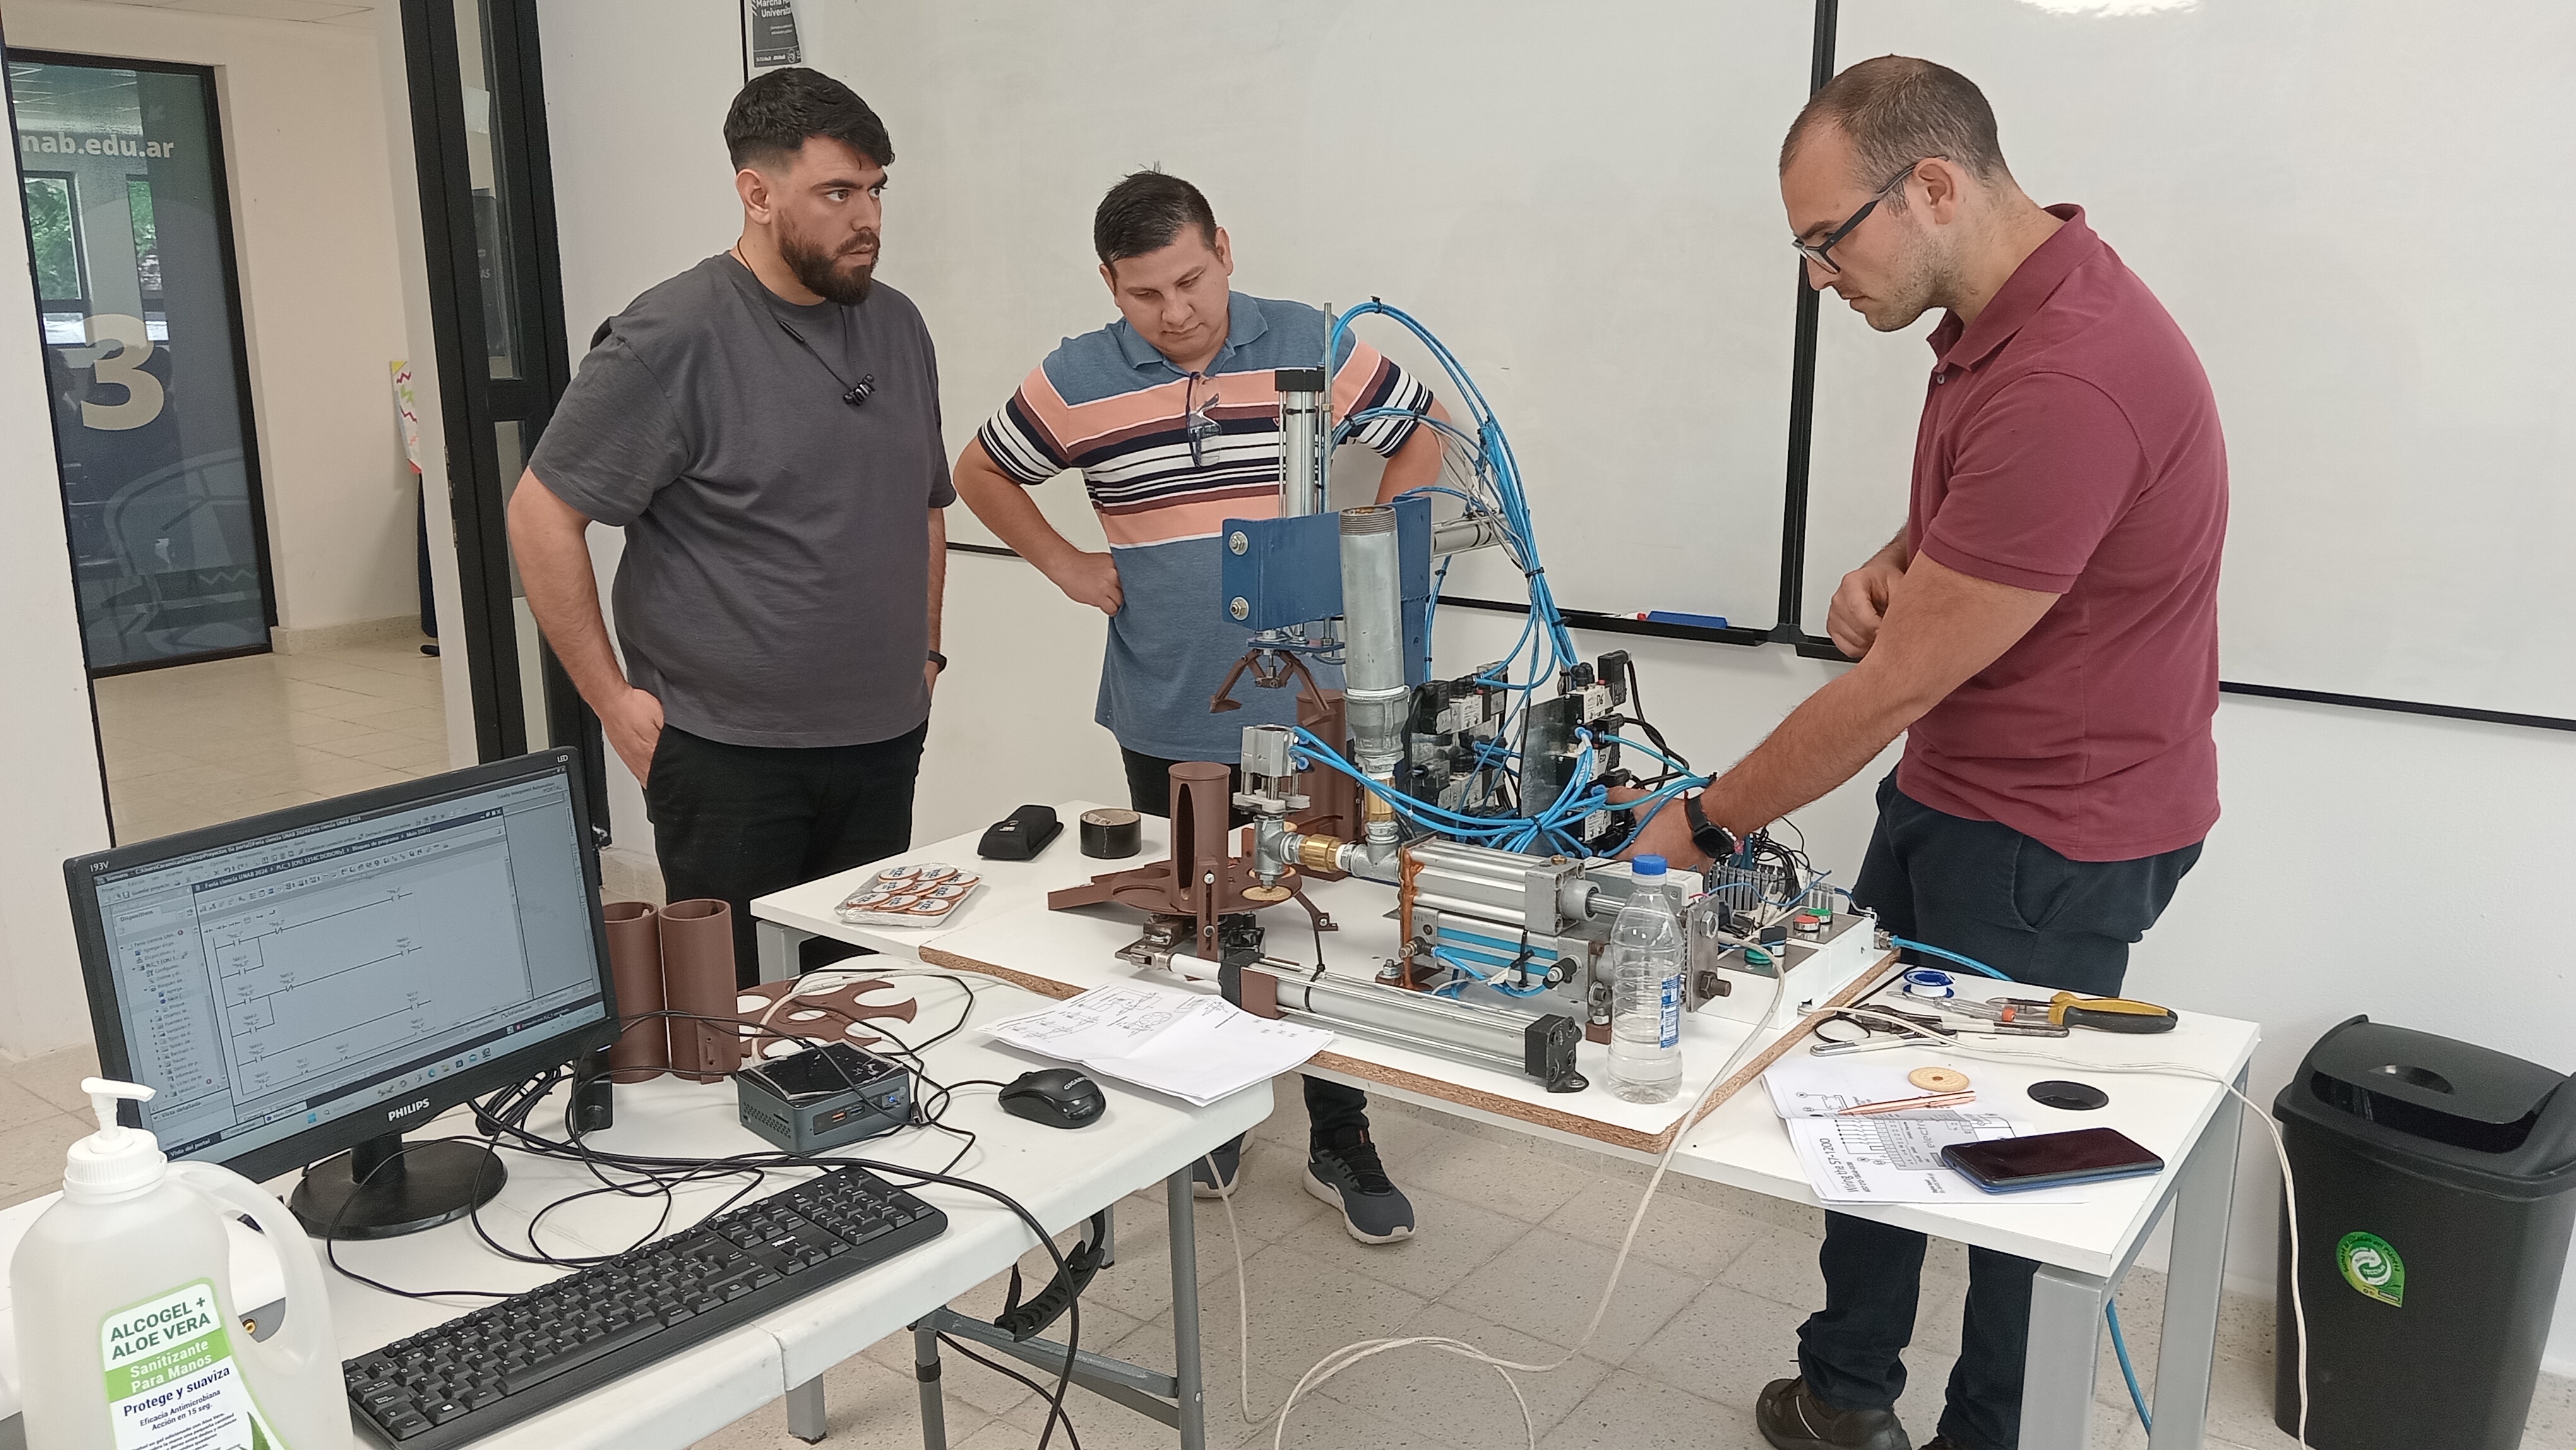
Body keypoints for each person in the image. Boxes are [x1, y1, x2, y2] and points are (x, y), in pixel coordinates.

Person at [1621, 57, 2226, 1450]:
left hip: (2053, 840)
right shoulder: (2001, 316)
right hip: (1962, 792)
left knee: (2009, 1166)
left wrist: (1702, 824)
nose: (1820, 278)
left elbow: (1889, 689)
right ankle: (1845, 1391)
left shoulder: (2076, 375)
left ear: (1934, 186)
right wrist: (1885, 564)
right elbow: (1979, 539)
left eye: (1826, 241)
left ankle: (1985, 1435)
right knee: (1872, 1101)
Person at [950, 170, 1450, 1244]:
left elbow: (1426, 430)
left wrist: (1364, 546)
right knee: (1195, 915)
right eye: (1145, 294)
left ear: (1224, 248)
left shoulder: (1313, 339)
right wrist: (1066, 564)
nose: (1176, 312)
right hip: (1167, 698)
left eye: (1192, 279)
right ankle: (1211, 1114)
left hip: (1315, 709)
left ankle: (1338, 1131)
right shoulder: (1076, 378)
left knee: (1327, 925)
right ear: (1108, 286)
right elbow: (980, 472)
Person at [509, 68, 951, 988]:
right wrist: (613, 702)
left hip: (880, 742)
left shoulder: (899, 327)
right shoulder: (668, 337)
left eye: (875, 190)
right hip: (728, 759)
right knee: (744, 1018)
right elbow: (542, 515)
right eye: (836, 192)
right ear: (756, 193)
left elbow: (922, 505)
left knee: (856, 1002)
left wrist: (927, 655)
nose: (866, 217)